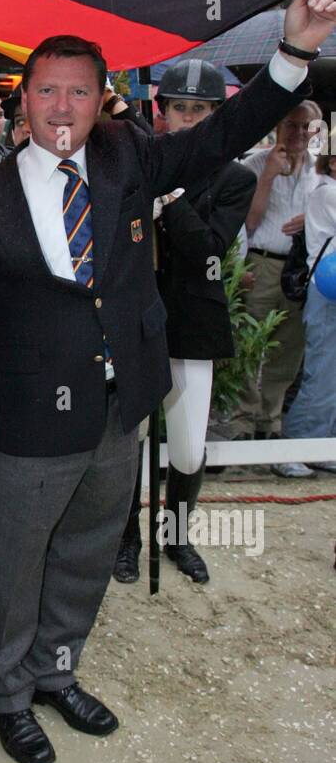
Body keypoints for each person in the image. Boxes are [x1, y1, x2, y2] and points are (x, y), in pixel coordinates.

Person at [0, 0, 336, 763]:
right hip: (23, 417)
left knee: (86, 549)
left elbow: (226, 132)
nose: (61, 104)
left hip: (120, 409)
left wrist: (294, 48)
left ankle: (56, 669)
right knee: (12, 562)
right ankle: (6, 692)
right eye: (45, 88)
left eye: (78, 90)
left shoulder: (131, 158)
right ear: (23, 100)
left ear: (100, 100)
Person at [112, 61, 256, 585]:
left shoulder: (236, 178)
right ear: (162, 112)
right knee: (131, 443)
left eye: (201, 110)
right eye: (180, 108)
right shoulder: (142, 164)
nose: (190, 119)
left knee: (190, 447)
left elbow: (208, 250)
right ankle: (126, 539)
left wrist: (170, 202)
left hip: (193, 322)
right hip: (138, 320)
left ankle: (176, 537)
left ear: (217, 115)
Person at [227, 95, 323, 459]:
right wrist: (267, 176)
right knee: (249, 346)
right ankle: (242, 423)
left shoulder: (321, 170)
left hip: (302, 268)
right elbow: (248, 223)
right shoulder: (252, 165)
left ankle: (270, 421)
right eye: (291, 125)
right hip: (261, 262)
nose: (298, 133)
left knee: (289, 347)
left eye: (306, 127)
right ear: (278, 126)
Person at [281, 132, 336, 472]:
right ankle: (293, 451)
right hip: (326, 292)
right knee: (321, 373)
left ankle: (320, 444)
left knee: (330, 374)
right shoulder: (328, 192)